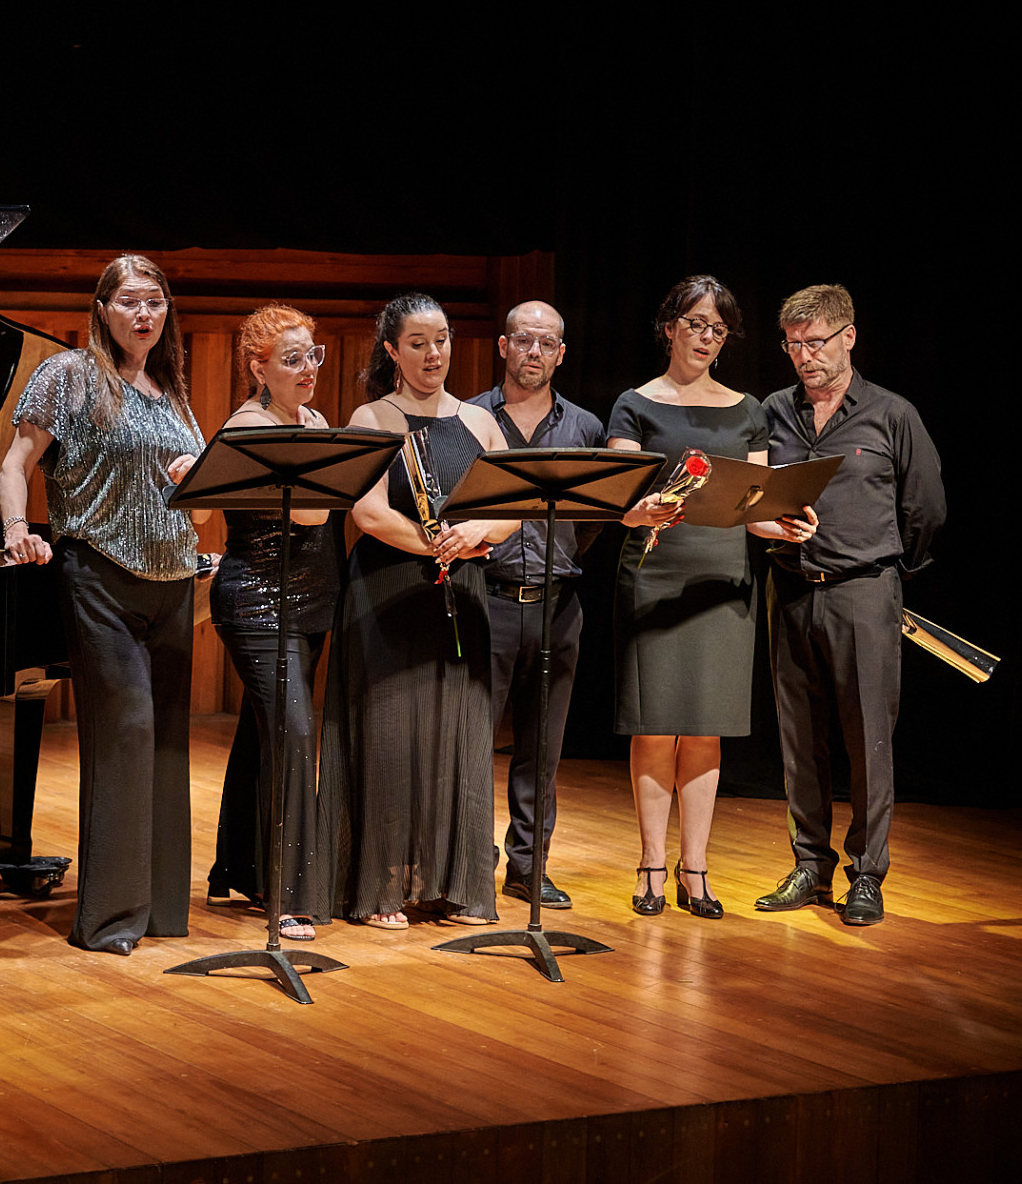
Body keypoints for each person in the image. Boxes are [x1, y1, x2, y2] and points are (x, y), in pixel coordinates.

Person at [0, 256, 207, 955]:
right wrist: (16, 528)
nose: (145, 315)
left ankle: (161, 912)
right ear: (102, 309)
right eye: (130, 302)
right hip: (99, 576)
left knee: (167, 743)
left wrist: (197, 480)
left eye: (156, 302)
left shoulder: (172, 391)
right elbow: (15, 463)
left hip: (174, 580)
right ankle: (110, 919)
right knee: (126, 734)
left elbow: (201, 500)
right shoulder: (68, 375)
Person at [607, 276, 812, 920]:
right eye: (695, 324)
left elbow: (753, 508)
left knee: (704, 728)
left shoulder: (747, 409)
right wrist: (639, 510)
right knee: (654, 726)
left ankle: (694, 867)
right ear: (669, 327)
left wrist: (782, 524)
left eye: (718, 329)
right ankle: (650, 864)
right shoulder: (634, 404)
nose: (705, 337)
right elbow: (620, 502)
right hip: (655, 572)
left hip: (723, 579)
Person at [322, 293, 517, 930]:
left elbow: (512, 506)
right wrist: (438, 544)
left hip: (460, 590)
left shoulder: (481, 421)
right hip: (388, 591)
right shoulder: (372, 418)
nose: (433, 354)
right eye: (417, 343)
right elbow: (369, 513)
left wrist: (478, 532)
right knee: (390, 736)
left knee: (459, 734)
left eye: (441, 340)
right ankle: (381, 888)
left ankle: (450, 887)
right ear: (392, 350)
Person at [754, 285, 944, 927]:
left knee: (868, 738)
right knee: (799, 737)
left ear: (849, 337)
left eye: (815, 343)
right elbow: (754, 494)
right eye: (793, 345)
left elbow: (926, 508)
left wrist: (888, 572)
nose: (804, 356)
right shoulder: (773, 412)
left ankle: (867, 873)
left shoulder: (892, 414)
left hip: (863, 591)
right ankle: (810, 865)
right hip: (789, 589)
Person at [205, 305, 342, 942]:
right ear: (259, 369)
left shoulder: (313, 421)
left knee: (264, 736)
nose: (308, 368)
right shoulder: (247, 427)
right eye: (292, 359)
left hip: (310, 601)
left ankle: (242, 866)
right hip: (257, 602)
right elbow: (314, 514)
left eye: (313, 355)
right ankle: (290, 894)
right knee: (292, 734)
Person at [466, 301, 605, 911]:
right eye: (524, 340)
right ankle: (471, 868)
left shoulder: (585, 428)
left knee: (542, 749)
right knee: (472, 742)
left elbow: (593, 519)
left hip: (556, 607)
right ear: (503, 345)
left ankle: (529, 867)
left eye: (547, 343)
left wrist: (560, 562)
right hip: (486, 599)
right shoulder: (469, 418)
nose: (534, 352)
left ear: (561, 354)